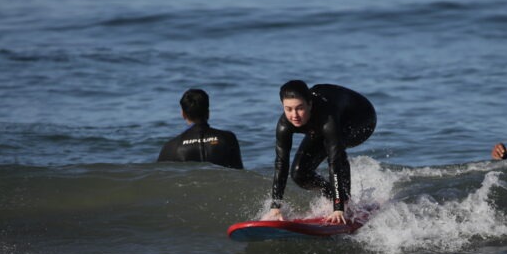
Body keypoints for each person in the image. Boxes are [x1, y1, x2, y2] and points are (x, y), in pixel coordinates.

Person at [263, 80, 376, 225]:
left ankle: (344, 204)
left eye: (299, 108)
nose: (294, 115)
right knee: (299, 173)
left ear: (310, 104)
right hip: (328, 119)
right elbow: (281, 163)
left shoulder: (327, 118)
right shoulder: (285, 125)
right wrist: (275, 206)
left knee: (336, 154)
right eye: (288, 109)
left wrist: (338, 208)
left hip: (361, 117)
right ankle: (334, 197)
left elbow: (334, 161)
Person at [157, 88, 243, 169]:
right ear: (208, 113)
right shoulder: (228, 139)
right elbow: (240, 173)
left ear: (183, 114)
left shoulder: (171, 147)